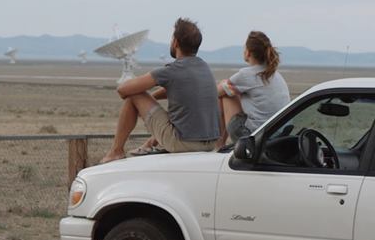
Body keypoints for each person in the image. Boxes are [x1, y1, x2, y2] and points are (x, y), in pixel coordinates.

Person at [100, 18, 220, 163]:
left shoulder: (172, 70)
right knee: (179, 110)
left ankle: (116, 151)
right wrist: (151, 99)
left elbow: (123, 89)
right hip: (210, 143)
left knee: (134, 95)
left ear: (175, 42)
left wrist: (143, 101)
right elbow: (181, 90)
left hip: (183, 143)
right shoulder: (204, 67)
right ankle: (149, 145)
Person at [213, 31, 290, 147]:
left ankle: (219, 147)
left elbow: (216, 92)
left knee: (225, 93)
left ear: (248, 52)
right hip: (276, 134)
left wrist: (223, 83)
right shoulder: (275, 74)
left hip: (253, 137)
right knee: (233, 90)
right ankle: (221, 146)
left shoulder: (247, 74)